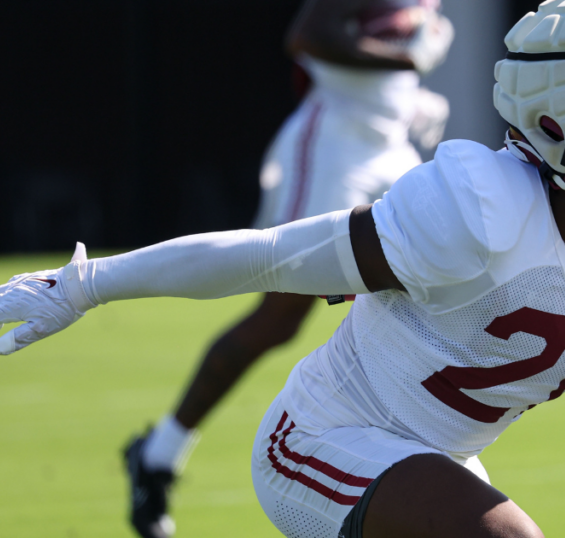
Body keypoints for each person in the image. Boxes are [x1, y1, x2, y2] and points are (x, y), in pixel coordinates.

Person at [0, 2, 565, 538]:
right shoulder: (475, 208)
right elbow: (273, 256)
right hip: (321, 443)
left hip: (434, 464)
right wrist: (89, 283)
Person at [119, 0, 453, 536]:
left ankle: (407, 450)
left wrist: (408, 96)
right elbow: (308, 35)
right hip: (333, 148)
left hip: (389, 146)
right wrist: (402, 60)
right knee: (281, 314)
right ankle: (158, 455)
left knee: (436, 285)